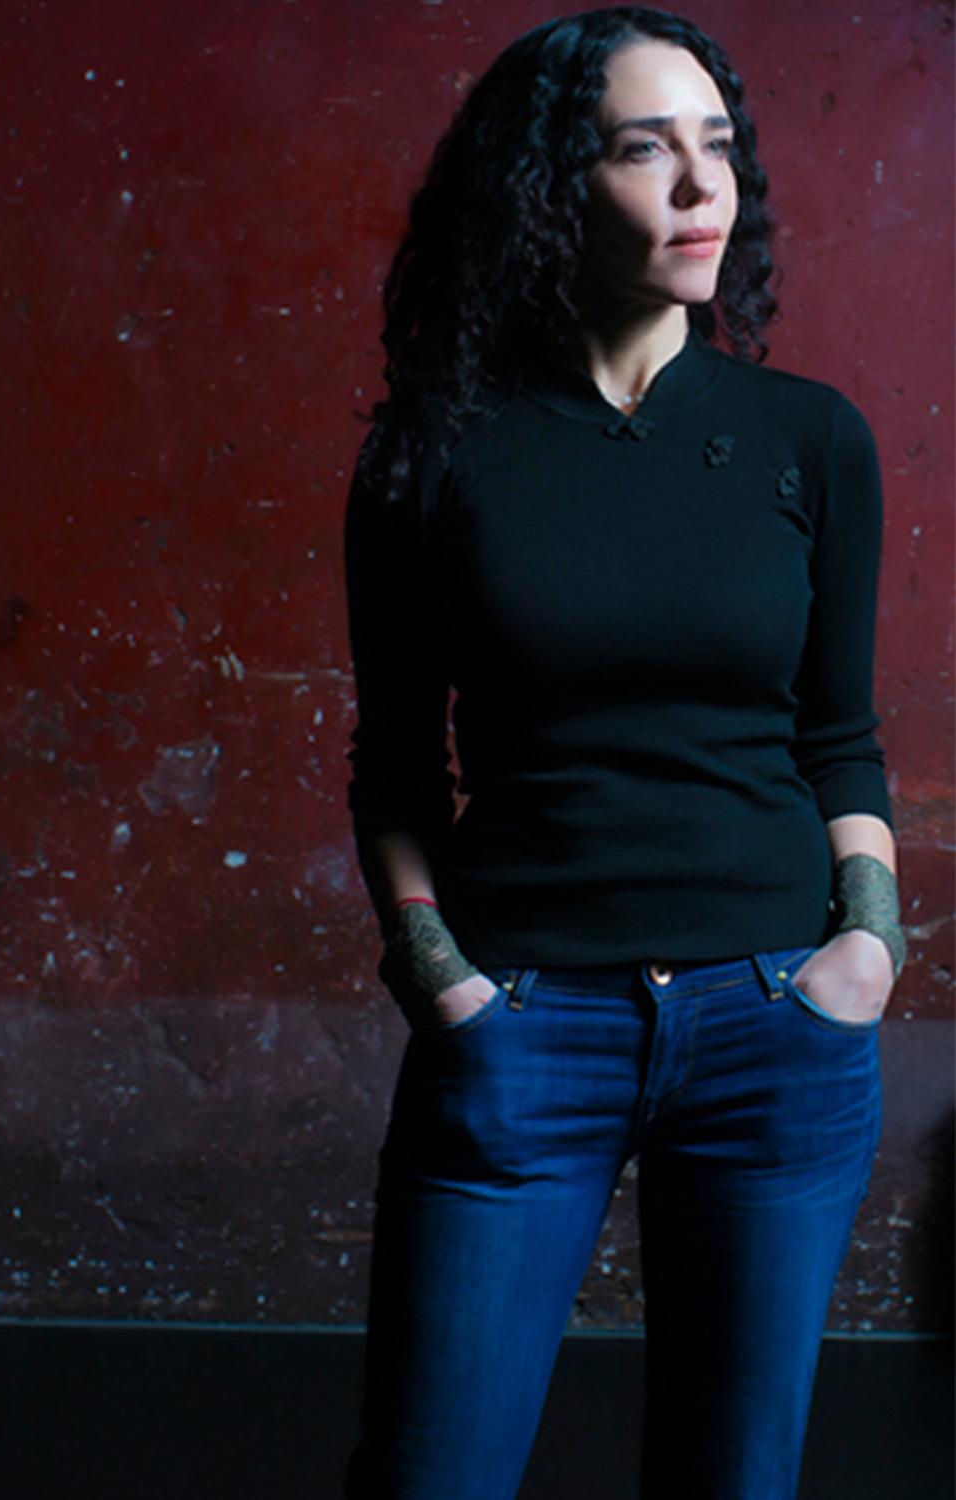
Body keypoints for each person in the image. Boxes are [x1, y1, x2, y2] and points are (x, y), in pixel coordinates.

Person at [341, 9, 904, 1499]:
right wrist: (440, 976)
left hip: (777, 1026)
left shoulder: (807, 441)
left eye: (716, 148)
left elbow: (838, 739)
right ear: (545, 186)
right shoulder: (432, 453)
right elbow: (395, 765)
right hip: (524, 1027)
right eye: (643, 149)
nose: (696, 187)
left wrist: (869, 944)